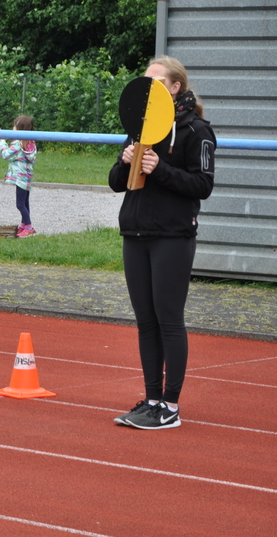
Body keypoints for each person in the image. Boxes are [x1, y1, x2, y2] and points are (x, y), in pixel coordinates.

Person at [109, 56, 215, 430]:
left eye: (155, 82)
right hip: (135, 233)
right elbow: (115, 182)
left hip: (172, 236)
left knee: (169, 319)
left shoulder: (197, 130)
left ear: (175, 88)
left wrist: (162, 169)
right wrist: (125, 163)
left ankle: (170, 406)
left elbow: (202, 186)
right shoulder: (140, 127)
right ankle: (151, 399)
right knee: (145, 322)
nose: (147, 88)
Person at [0, 115, 38, 238]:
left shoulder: (17, 143)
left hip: (19, 177)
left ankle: (29, 227)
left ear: (19, 128)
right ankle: (23, 225)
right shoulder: (31, 143)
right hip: (27, 177)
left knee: (20, 204)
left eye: (15, 126)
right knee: (25, 203)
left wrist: (1, 141)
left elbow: (6, 154)